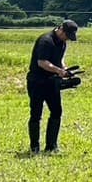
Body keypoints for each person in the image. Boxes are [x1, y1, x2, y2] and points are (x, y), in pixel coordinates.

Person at [27, 19, 78, 154]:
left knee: (56, 111)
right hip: (37, 81)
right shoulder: (45, 41)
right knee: (36, 114)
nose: (67, 39)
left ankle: (51, 145)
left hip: (51, 81)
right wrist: (58, 71)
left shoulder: (62, 43)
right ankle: (34, 147)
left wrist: (65, 70)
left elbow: (59, 60)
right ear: (60, 29)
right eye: (66, 35)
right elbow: (42, 62)